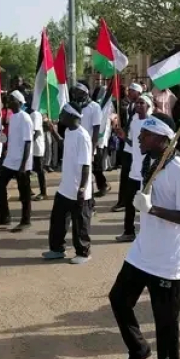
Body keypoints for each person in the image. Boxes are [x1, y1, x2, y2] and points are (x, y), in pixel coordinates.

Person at [108, 113, 180, 359]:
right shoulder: (149, 162)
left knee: (165, 323)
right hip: (143, 250)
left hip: (168, 260)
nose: (139, 139)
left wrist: (153, 210)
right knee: (118, 298)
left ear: (162, 139)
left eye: (146, 135)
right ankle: (138, 348)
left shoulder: (179, 170)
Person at [43, 103, 94, 264]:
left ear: (72, 117)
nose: (60, 116)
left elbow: (86, 164)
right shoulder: (69, 132)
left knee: (80, 223)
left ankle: (83, 252)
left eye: (63, 113)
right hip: (65, 187)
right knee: (58, 220)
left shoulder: (83, 136)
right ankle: (57, 249)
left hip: (79, 188)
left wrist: (83, 187)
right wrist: (52, 132)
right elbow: (64, 145)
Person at [0, 91, 33, 232]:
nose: (8, 102)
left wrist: (23, 165)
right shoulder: (13, 117)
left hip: (22, 162)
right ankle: (4, 217)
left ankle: (26, 220)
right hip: (10, 159)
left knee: (24, 192)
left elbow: (28, 143)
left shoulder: (25, 118)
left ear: (19, 102)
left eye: (11, 100)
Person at [115, 95, 150, 242]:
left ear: (148, 106)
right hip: (134, 170)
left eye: (142, 103)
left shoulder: (152, 123)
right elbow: (133, 145)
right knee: (129, 202)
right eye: (137, 103)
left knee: (146, 204)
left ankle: (148, 233)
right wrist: (123, 137)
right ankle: (129, 231)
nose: (139, 105)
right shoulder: (134, 123)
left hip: (147, 170)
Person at [112, 83, 144, 211]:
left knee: (137, 176)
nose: (129, 93)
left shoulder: (143, 111)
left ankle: (135, 201)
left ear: (138, 93)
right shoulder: (130, 106)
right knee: (125, 175)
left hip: (136, 148)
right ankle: (123, 201)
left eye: (132, 91)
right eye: (128, 91)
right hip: (127, 146)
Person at [74, 82, 105, 197]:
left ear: (85, 92)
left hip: (88, 146)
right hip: (76, 145)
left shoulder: (94, 107)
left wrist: (92, 149)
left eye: (78, 91)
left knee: (89, 175)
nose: (75, 94)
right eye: (75, 91)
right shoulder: (75, 106)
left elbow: (96, 129)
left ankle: (90, 201)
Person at [29, 106, 47, 201]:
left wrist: (29, 144)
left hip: (36, 147)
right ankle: (29, 190)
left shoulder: (35, 114)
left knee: (39, 170)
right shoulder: (32, 114)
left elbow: (36, 132)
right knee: (28, 169)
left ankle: (43, 192)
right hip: (32, 147)